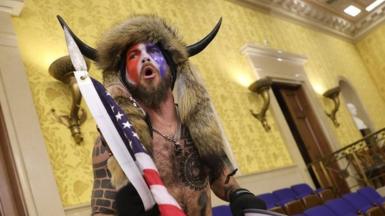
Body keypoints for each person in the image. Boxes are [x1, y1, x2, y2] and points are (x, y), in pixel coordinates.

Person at [61, 15, 266, 216]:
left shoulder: (201, 128)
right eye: (134, 56)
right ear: (125, 77)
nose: (145, 58)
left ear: (171, 67)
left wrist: (241, 195)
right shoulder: (114, 140)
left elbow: (223, 182)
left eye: (152, 51)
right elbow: (102, 210)